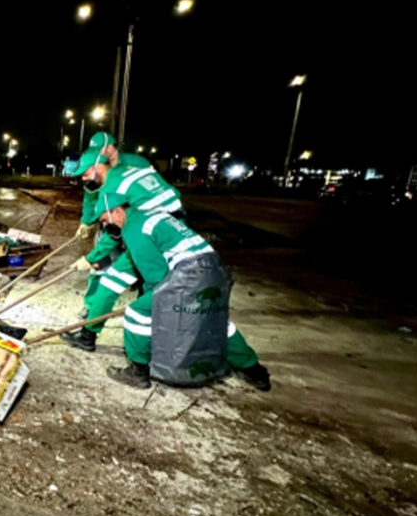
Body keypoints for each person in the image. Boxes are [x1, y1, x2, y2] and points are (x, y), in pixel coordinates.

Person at [92, 191, 271, 391]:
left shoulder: (133, 228)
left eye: (106, 220)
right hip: (214, 268)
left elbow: (156, 278)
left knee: (137, 311)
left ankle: (137, 372)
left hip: (189, 273)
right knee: (215, 320)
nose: (107, 226)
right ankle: (255, 371)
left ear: (117, 211)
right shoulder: (148, 214)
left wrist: (151, 304)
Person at [64, 133, 183, 351]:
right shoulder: (132, 171)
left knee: (147, 292)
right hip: (171, 228)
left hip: (153, 239)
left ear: (100, 164)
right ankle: (88, 334)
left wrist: (90, 259)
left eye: (85, 173)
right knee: (120, 284)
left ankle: (145, 353)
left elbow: (112, 235)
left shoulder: (110, 191)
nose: (82, 178)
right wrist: (86, 221)